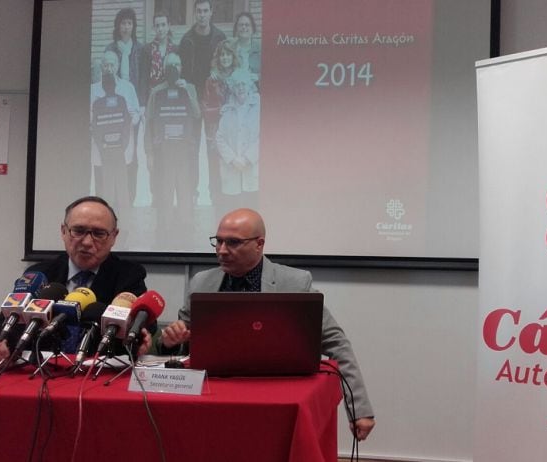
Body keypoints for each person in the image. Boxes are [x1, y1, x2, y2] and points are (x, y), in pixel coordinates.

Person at [152, 208, 376, 440]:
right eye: (217, 241)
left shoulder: (294, 283)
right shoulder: (201, 282)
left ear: (259, 244)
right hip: (213, 398)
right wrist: (170, 341)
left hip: (273, 396)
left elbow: (336, 343)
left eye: (233, 243)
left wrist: (359, 410)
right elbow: (177, 341)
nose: (221, 251)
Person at [0, 196, 152, 366]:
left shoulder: (129, 276)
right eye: (78, 231)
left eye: (99, 233)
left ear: (114, 237)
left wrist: (140, 340)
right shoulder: (38, 274)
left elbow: (144, 329)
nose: (86, 242)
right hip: (40, 371)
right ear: (63, 231)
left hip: (97, 374)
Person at [144, 52, 201, 242]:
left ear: (181, 68)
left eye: (177, 65)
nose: (174, 69)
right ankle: (165, 232)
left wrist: (186, 92)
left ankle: (186, 230)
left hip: (185, 151)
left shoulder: (190, 88)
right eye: (171, 65)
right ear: (165, 69)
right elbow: (149, 123)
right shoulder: (157, 91)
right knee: (164, 191)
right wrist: (150, 153)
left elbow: (197, 114)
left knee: (186, 190)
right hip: (163, 152)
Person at [178, 0, 226, 204]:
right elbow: (182, 70)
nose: (202, 15)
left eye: (206, 11)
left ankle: (216, 191)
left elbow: (227, 62)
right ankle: (192, 193)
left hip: (214, 100)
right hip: (193, 99)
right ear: (195, 14)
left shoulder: (220, 37)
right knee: (192, 147)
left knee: (214, 147)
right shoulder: (187, 39)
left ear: (211, 13)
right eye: (199, 11)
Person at [90, 50, 139, 213]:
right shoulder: (92, 90)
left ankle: (124, 224)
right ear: (101, 67)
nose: (109, 68)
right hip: (101, 148)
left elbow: (137, 114)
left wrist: (127, 121)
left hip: (122, 146)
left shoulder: (127, 88)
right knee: (103, 187)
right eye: (105, 65)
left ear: (117, 66)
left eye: (112, 65)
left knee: (123, 189)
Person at [103, 8, 143, 205]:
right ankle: (113, 198)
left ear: (133, 26)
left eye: (129, 23)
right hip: (113, 107)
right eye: (123, 23)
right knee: (113, 148)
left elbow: (143, 78)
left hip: (132, 105)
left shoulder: (139, 48)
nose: (126, 27)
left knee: (131, 152)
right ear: (118, 26)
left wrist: (139, 106)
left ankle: (129, 196)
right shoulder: (111, 48)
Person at [215, 69, 260, 209]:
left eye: (243, 84)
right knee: (233, 211)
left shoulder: (259, 107)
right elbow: (219, 137)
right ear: (233, 88)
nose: (240, 88)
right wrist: (233, 159)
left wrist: (247, 158)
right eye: (237, 85)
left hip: (252, 168)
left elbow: (264, 136)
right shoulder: (227, 109)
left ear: (249, 86)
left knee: (252, 211)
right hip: (232, 168)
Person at [203, 39, 239, 206]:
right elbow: (205, 108)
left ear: (233, 56)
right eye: (222, 55)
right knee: (216, 172)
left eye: (228, 54)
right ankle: (217, 208)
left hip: (236, 133)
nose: (225, 58)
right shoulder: (211, 80)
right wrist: (220, 110)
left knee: (234, 170)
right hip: (216, 132)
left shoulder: (239, 77)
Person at [231, 12, 261, 90]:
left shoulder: (260, 49)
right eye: (241, 25)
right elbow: (219, 65)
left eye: (247, 25)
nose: (244, 27)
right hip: (233, 92)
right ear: (236, 28)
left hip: (255, 92)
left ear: (253, 28)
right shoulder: (229, 48)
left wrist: (258, 76)